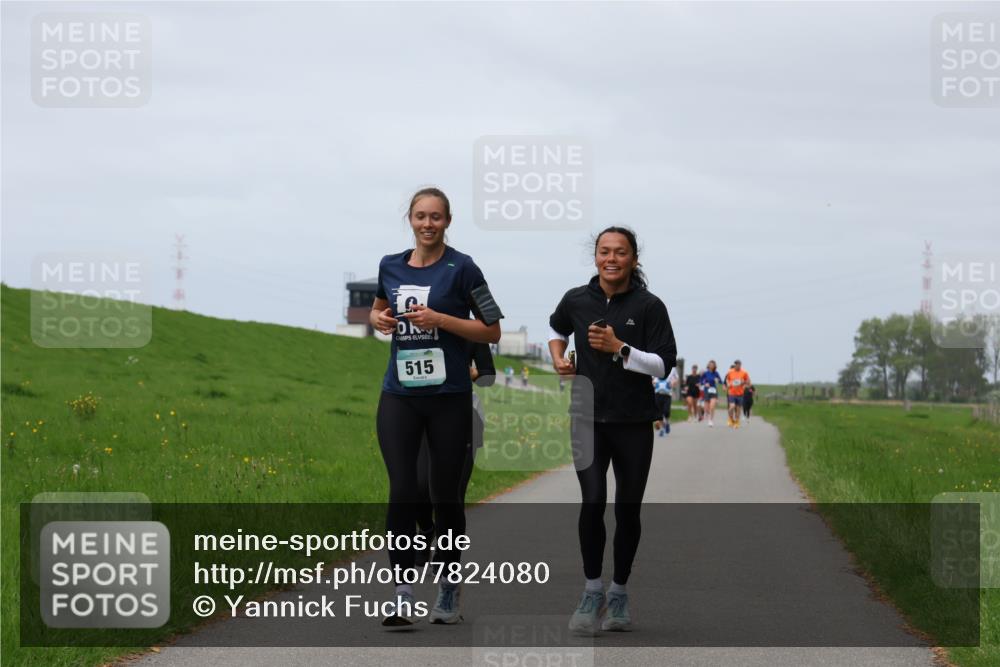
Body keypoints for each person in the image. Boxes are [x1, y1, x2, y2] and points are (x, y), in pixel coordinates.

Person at [369, 187, 503, 627]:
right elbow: (377, 310)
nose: (428, 224)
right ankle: (403, 593)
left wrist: (440, 320)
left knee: (446, 498)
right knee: (403, 490)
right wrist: (380, 320)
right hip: (400, 395)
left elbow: (492, 331)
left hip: (448, 399)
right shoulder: (390, 264)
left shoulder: (462, 268)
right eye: (421, 216)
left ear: (448, 221)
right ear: (410, 218)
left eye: (436, 218)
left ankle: (447, 587)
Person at [549, 226, 677, 634]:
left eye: (620, 252)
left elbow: (663, 365)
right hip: (586, 417)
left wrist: (620, 348)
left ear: (634, 259)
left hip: (633, 422)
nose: (611, 258)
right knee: (592, 502)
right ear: (596, 257)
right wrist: (559, 359)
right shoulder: (576, 300)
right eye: (604, 251)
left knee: (627, 509)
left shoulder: (650, 305)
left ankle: (619, 593)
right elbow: (556, 329)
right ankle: (591, 591)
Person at [414, 340, 495, 567]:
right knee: (419, 487)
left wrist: (472, 372)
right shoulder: (419, 331)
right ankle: (427, 528)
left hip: (464, 414)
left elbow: (489, 375)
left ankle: (444, 551)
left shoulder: (473, 332)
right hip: (422, 412)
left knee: (452, 493)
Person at [725, 359, 751, 428]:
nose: (737, 365)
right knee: (732, 406)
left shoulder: (744, 373)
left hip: (740, 393)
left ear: (740, 365)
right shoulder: (730, 372)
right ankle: (731, 418)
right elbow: (727, 379)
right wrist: (728, 384)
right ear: (735, 365)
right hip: (732, 392)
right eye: (736, 364)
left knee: (738, 409)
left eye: (739, 364)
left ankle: (737, 421)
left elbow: (748, 381)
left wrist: (744, 383)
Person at [652, 366, 678, 436]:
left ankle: (667, 423)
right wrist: (653, 383)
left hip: (667, 394)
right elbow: (652, 378)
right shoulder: (657, 365)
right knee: (659, 413)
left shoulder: (672, 368)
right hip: (658, 393)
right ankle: (662, 429)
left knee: (666, 411)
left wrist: (673, 383)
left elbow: (676, 379)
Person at [699, 360, 724, 427]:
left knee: (712, 406)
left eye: (713, 365)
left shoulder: (716, 373)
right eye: (710, 364)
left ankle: (711, 420)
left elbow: (721, 382)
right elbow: (701, 381)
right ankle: (706, 413)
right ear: (708, 365)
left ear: (714, 366)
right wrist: (705, 383)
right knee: (706, 407)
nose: (711, 366)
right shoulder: (705, 373)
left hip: (713, 390)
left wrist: (717, 380)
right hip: (707, 390)